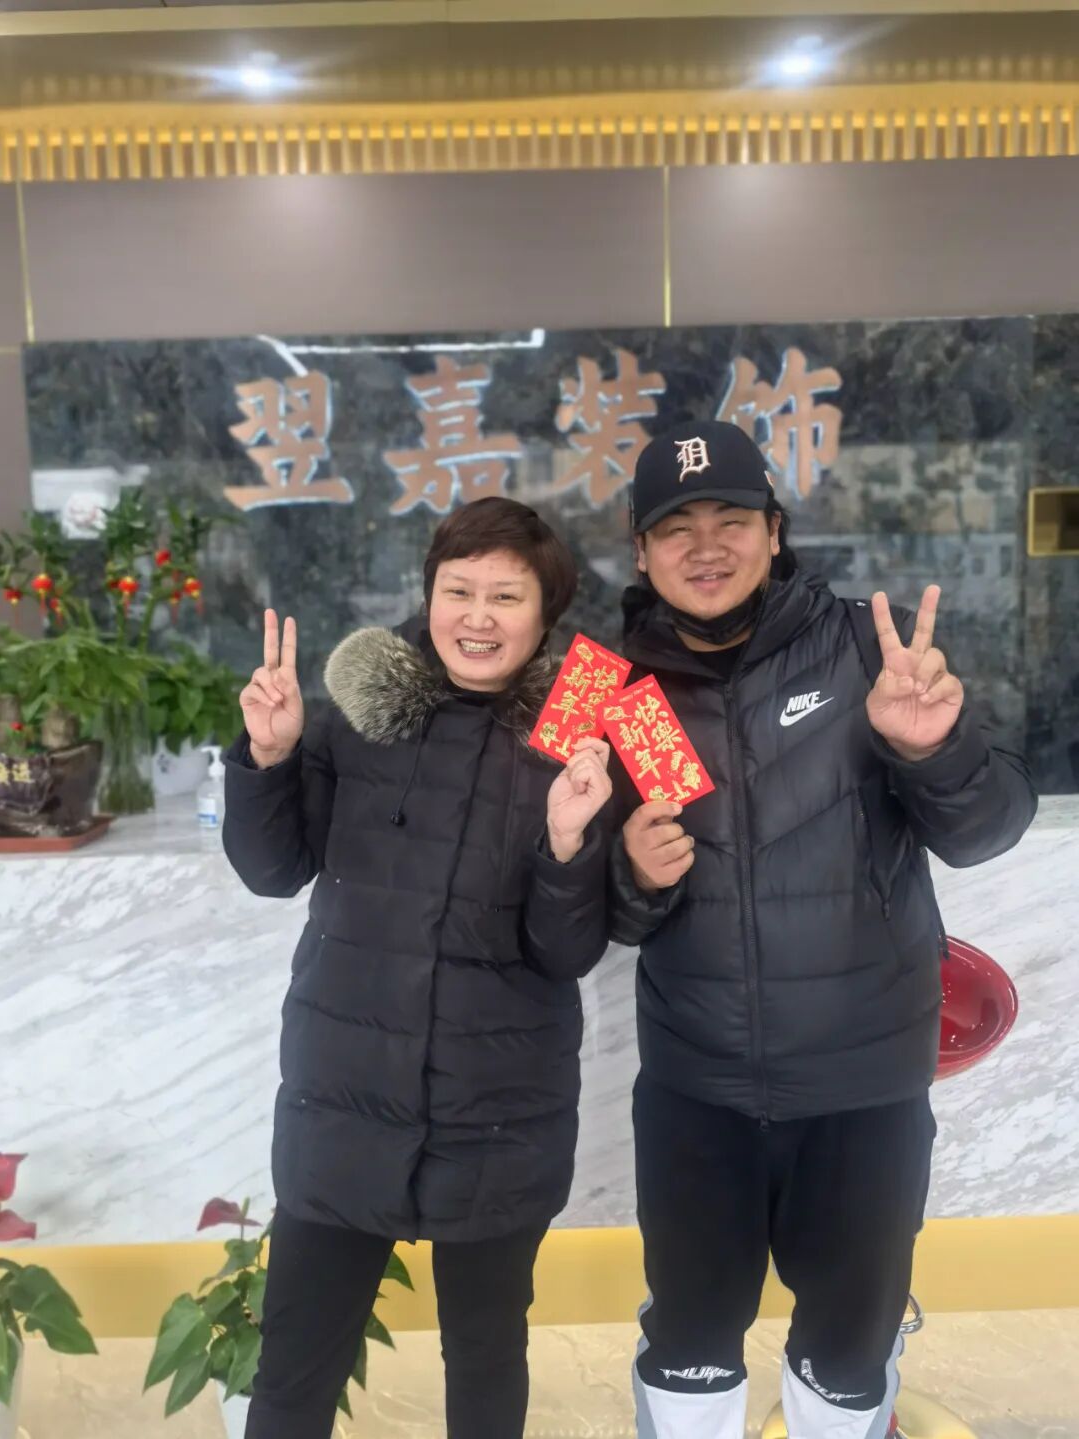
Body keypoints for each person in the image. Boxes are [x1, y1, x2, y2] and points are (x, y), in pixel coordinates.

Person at [608, 420, 1037, 1439]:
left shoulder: (865, 651)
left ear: (774, 529)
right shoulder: (609, 685)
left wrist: (933, 751)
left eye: (730, 520)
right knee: (689, 1351)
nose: (705, 547)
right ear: (640, 550)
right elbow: (579, 910)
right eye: (676, 527)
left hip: (863, 1089)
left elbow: (988, 829)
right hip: (697, 1088)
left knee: (847, 1359)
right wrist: (629, 874)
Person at [223, 497, 614, 1439]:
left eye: (506, 596)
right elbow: (273, 871)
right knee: (295, 1364)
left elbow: (568, 950)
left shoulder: (582, 734)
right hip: (346, 1096)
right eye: (458, 590)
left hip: (499, 1106)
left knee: (485, 1355)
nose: (477, 617)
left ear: (546, 610)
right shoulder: (359, 715)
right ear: (428, 593)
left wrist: (569, 843)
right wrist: (269, 756)